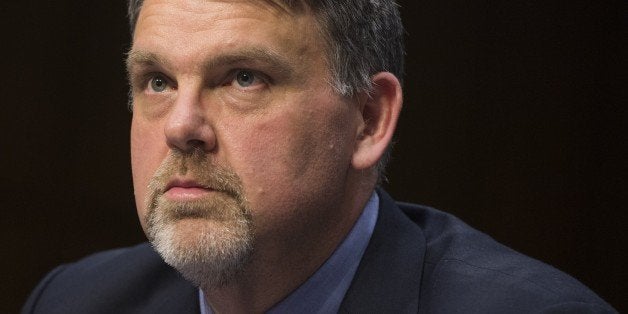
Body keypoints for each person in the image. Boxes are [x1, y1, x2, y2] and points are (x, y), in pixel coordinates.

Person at [22, 0, 616, 313]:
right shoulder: (74, 300)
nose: (182, 126)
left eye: (243, 77)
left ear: (368, 119)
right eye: (156, 81)